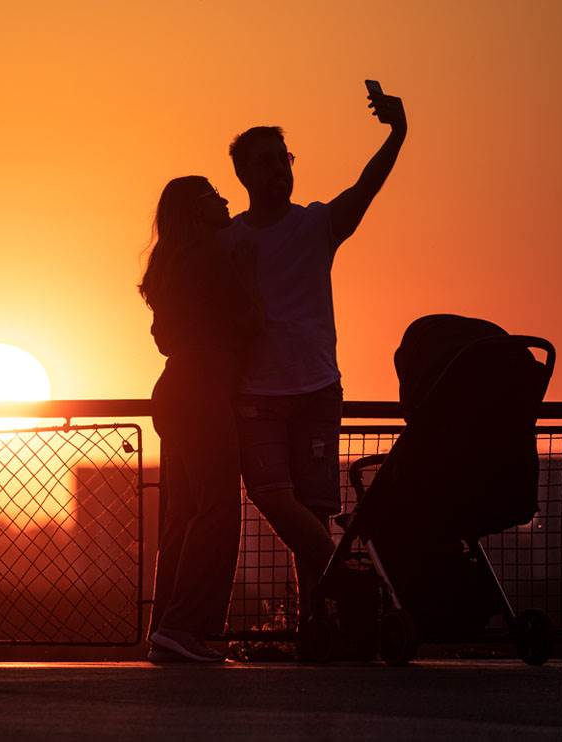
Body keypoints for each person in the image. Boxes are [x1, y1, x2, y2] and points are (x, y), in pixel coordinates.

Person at [224, 84, 407, 626]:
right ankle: (348, 580)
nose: (279, 169)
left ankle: (315, 625)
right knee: (272, 496)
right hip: (256, 394)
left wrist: (398, 133)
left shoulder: (315, 225)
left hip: (316, 390)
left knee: (314, 509)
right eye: (267, 162)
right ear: (246, 175)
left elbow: (366, 188)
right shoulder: (232, 242)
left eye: (285, 159)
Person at [140, 176, 260, 662]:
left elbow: (165, 339)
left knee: (184, 515)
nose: (226, 199)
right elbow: (250, 320)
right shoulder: (213, 256)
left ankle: (167, 628)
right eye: (213, 194)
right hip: (204, 392)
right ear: (195, 209)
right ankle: (184, 624)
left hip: (176, 392)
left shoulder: (169, 266)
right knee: (217, 510)